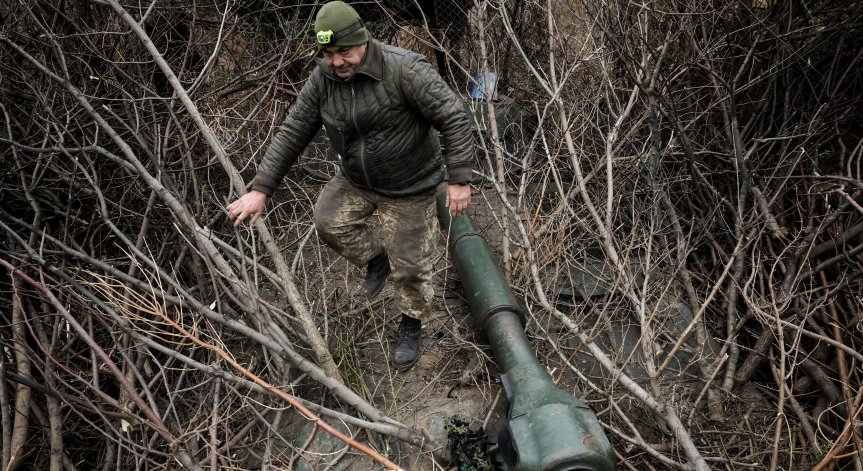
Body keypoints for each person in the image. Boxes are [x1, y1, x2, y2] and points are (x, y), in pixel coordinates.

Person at [226, 1, 474, 368]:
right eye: (328, 54)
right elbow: (294, 130)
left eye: (344, 52)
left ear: (363, 41)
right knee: (329, 222)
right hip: (357, 178)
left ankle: (411, 323)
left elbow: (454, 117)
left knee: (411, 269)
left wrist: (459, 179)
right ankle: (377, 260)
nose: (337, 62)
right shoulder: (323, 79)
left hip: (410, 185)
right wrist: (261, 189)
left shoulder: (404, 69)